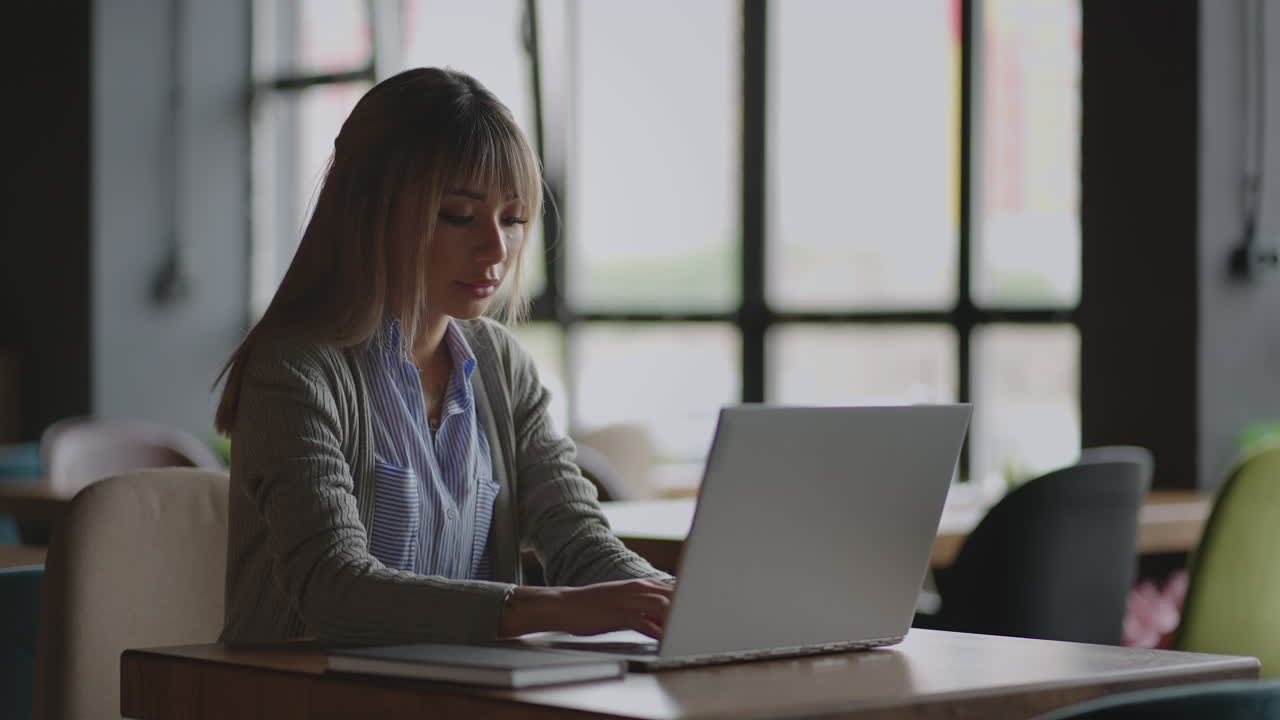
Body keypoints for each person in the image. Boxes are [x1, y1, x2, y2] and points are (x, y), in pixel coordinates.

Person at [213, 67, 673, 645]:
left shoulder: (502, 365)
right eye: (459, 215)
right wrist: (549, 607)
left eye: (513, 219)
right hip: (306, 697)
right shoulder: (293, 370)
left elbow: (577, 539)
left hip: (460, 697)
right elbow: (333, 588)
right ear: (371, 209)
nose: (496, 249)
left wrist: (673, 604)